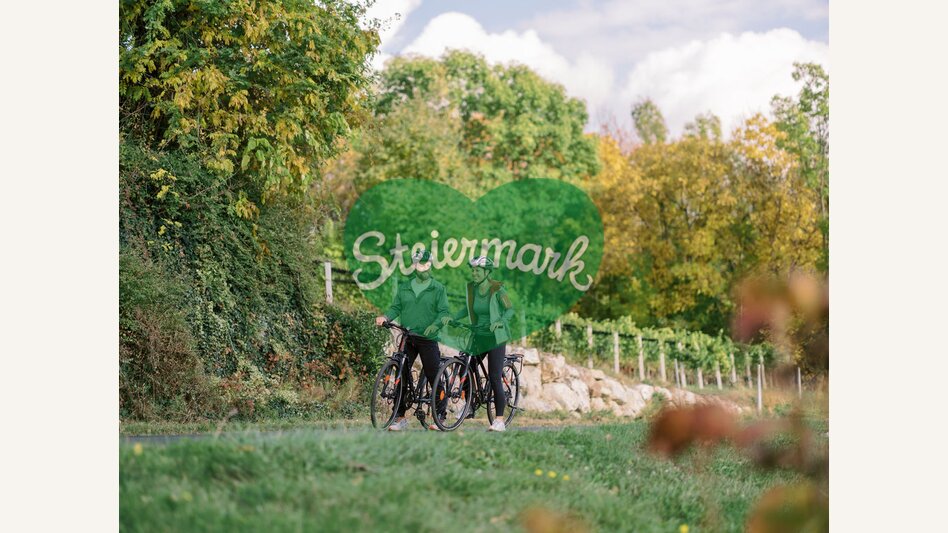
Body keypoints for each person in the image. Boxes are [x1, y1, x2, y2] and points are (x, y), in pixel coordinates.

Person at [376, 249, 450, 431]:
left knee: (434, 376)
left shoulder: (438, 288)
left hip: (428, 338)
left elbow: (444, 313)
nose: (421, 267)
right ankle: (400, 416)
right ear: (414, 265)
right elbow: (396, 307)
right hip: (408, 337)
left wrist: (435, 325)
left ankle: (441, 416)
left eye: (424, 264)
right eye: (418, 263)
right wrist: (386, 317)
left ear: (430, 265)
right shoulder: (405, 287)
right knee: (401, 375)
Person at [441, 256, 514, 432]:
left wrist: (501, 322)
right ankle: (470, 406)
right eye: (472, 270)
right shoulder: (472, 289)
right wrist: (453, 317)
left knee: (494, 375)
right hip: (478, 334)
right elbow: (468, 309)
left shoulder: (497, 288)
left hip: (495, 336)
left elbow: (509, 309)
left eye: (477, 270)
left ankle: (499, 420)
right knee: (466, 365)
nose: (474, 273)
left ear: (487, 272)